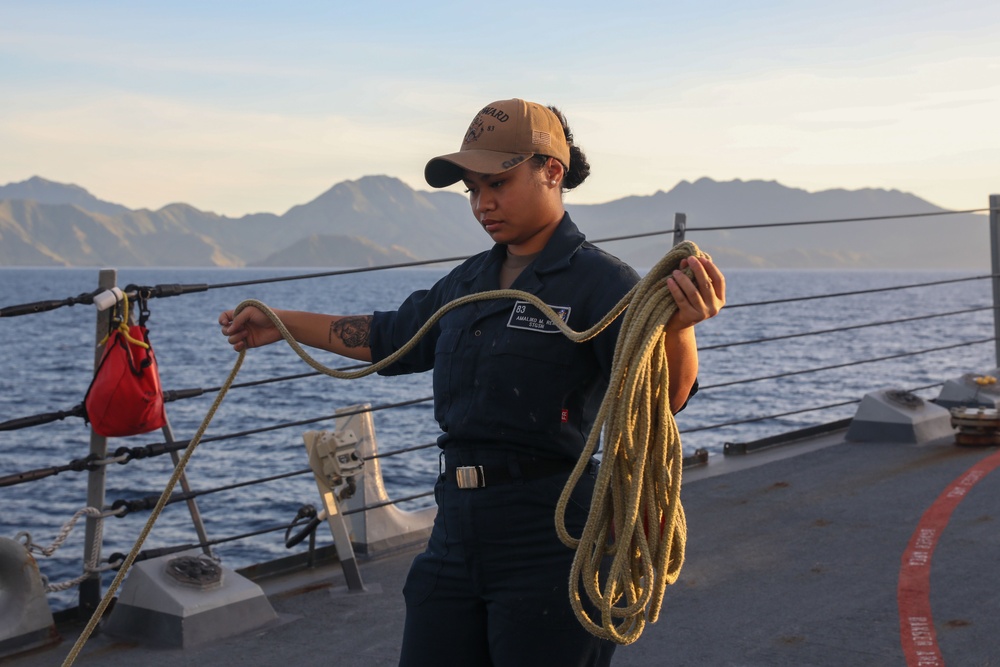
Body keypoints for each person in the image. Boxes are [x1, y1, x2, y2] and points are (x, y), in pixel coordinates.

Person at [220, 98, 726, 666]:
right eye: (472, 189)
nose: (483, 204)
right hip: (455, 533)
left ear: (551, 172)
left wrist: (680, 327)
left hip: (551, 538)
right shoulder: (467, 281)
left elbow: (664, 398)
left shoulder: (603, 284)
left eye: (498, 183)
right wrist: (281, 323)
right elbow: (388, 337)